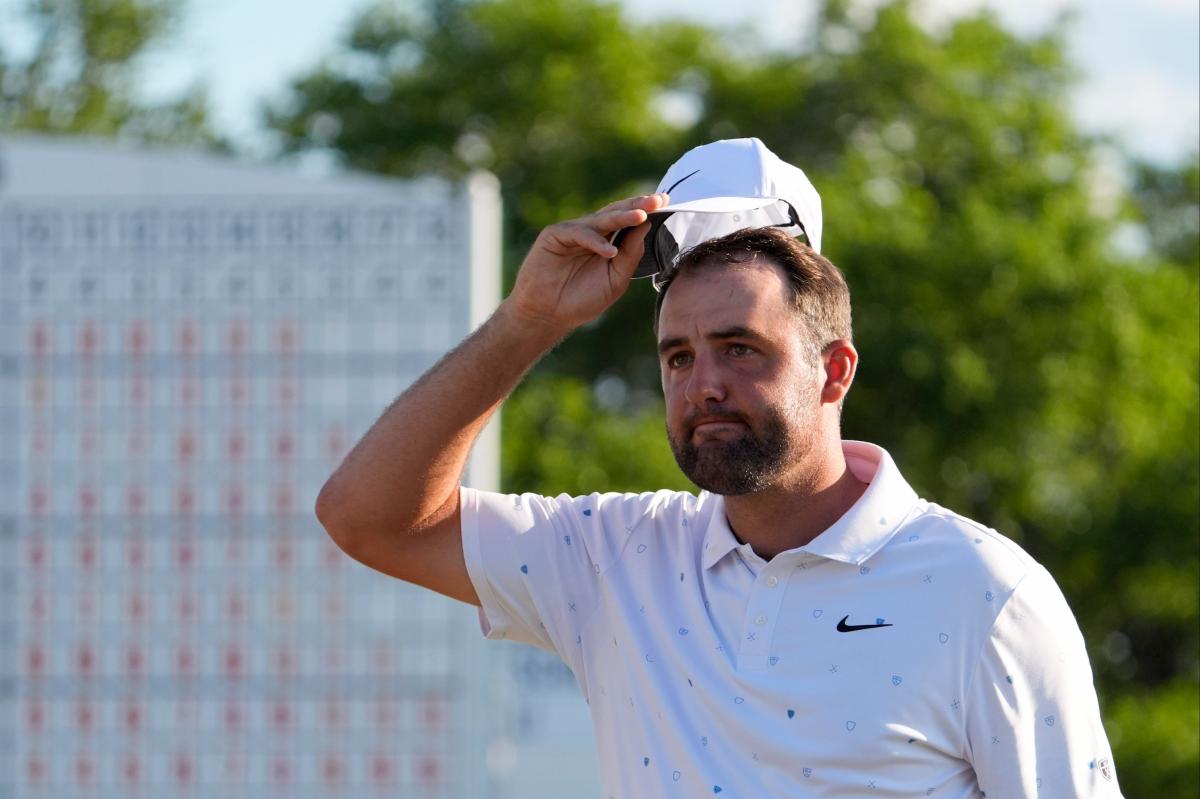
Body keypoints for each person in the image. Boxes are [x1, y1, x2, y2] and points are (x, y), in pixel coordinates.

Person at [315, 139, 1122, 797]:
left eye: (741, 348)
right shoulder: (615, 558)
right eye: (678, 356)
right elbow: (366, 515)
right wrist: (529, 319)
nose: (703, 383)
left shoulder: (987, 590)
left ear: (834, 370)